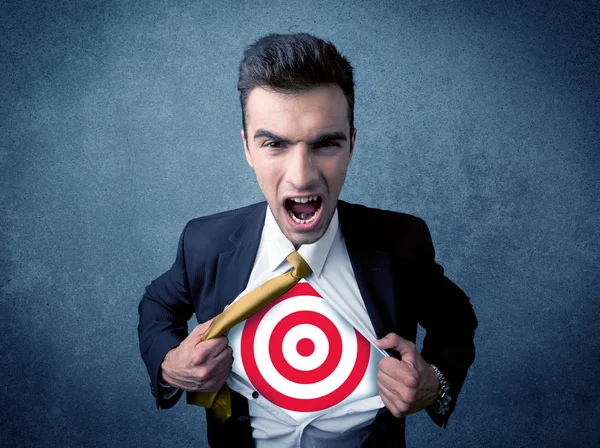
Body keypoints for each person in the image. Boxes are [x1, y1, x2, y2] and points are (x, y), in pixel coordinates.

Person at [138, 33, 478, 447]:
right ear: (247, 147)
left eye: (325, 144)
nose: (302, 176)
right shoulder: (204, 242)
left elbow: (456, 319)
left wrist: (434, 384)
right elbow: (158, 306)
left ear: (351, 144)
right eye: (274, 144)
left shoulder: (402, 243)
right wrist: (171, 366)